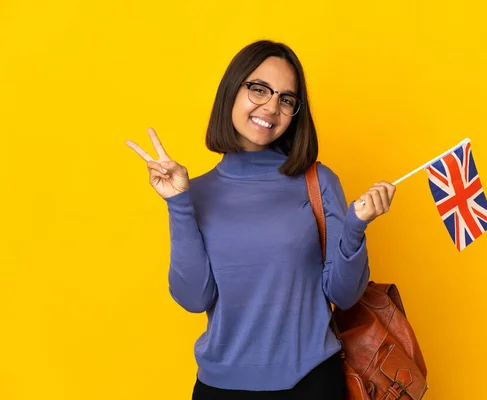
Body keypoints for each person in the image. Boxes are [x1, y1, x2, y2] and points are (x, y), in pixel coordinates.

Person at [126, 40, 396, 399]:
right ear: (232, 91)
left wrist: (355, 227)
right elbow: (193, 297)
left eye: (286, 99)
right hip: (221, 387)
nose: (271, 107)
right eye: (259, 89)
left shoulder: (318, 182)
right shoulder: (197, 193)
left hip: (313, 383)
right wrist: (178, 203)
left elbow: (343, 295)